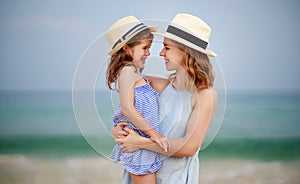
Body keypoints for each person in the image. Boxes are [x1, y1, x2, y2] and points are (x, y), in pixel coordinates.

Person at [112, 13, 218, 184]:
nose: (160, 53)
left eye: (167, 47)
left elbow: (190, 146)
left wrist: (140, 143)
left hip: (175, 179)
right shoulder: (157, 85)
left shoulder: (205, 95)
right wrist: (118, 130)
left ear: (186, 51)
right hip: (142, 173)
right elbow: (129, 112)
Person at [106, 16, 171, 184]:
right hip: (140, 148)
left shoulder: (136, 74)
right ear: (127, 48)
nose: (148, 53)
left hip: (143, 145)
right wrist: (155, 135)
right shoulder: (127, 71)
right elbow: (128, 109)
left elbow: (169, 85)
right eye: (145, 48)